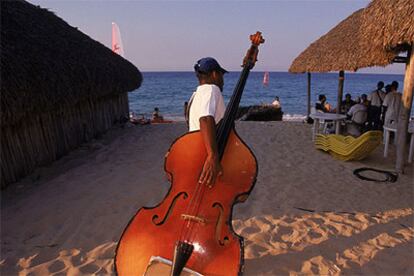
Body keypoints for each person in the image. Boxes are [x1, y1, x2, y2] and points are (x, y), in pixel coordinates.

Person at [187, 57, 227, 186]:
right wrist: (212, 156)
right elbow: (205, 119)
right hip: (206, 158)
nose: (223, 81)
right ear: (215, 74)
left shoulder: (195, 96)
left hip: (195, 157)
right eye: (222, 75)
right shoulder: (211, 89)